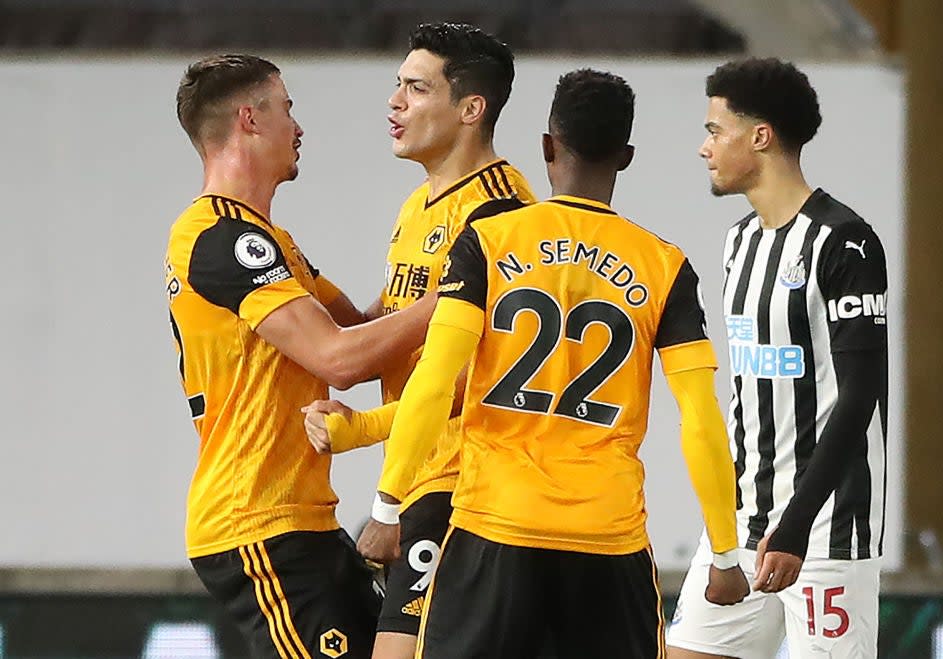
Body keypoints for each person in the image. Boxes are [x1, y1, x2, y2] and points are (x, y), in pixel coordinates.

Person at [316, 68, 750, 659]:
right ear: (625, 157)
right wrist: (724, 555)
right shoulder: (665, 265)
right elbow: (700, 419)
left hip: (493, 527)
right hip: (608, 539)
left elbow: (434, 380)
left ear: (547, 146)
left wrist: (387, 508)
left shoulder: (490, 240)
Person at [166, 54, 436, 658]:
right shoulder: (220, 240)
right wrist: (458, 295)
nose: (298, 126)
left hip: (299, 521)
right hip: (257, 522)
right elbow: (340, 358)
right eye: (287, 108)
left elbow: (366, 327)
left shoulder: (264, 239)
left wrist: (428, 275)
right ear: (249, 120)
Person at [301, 22, 535, 659]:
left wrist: (364, 428)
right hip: (422, 477)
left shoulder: (499, 215)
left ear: (470, 108)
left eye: (415, 88)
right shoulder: (419, 205)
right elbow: (385, 323)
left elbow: (480, 378)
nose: (394, 103)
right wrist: (290, 280)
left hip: (465, 480)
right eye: (396, 85)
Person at [666, 57, 888, 659]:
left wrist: (795, 523)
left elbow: (859, 392)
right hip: (745, 524)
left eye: (716, 130)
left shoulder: (845, 241)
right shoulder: (739, 241)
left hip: (824, 527)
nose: (704, 147)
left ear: (759, 137)